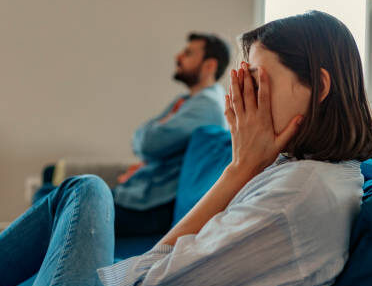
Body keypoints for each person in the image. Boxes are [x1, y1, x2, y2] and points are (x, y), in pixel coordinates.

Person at [0, 11, 372, 286]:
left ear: (321, 88)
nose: (244, 99)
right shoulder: (301, 172)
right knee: (81, 190)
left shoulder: (296, 196)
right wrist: (244, 167)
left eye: (258, 83)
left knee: (84, 190)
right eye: (244, 83)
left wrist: (239, 171)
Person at [35, 32, 231, 237]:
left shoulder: (207, 106)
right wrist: (150, 142)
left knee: (48, 196)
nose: (178, 57)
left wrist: (151, 141)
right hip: (142, 195)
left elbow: (147, 143)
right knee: (51, 187)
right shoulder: (186, 101)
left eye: (188, 53)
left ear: (210, 66)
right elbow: (141, 138)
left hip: (151, 206)